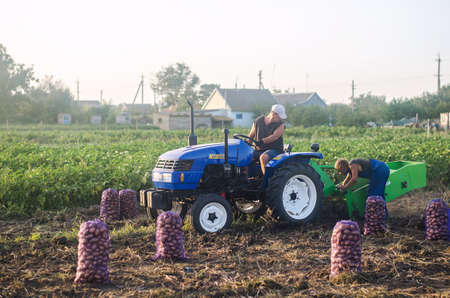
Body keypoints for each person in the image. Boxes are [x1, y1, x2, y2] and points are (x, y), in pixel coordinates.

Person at [248, 104, 287, 175]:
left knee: (264, 157)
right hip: (259, 149)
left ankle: (266, 181)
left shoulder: (280, 125)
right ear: (273, 114)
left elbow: (274, 136)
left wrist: (262, 141)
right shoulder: (258, 121)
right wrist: (247, 146)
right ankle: (247, 177)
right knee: (245, 157)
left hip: (275, 150)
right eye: (279, 117)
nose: (281, 119)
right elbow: (251, 135)